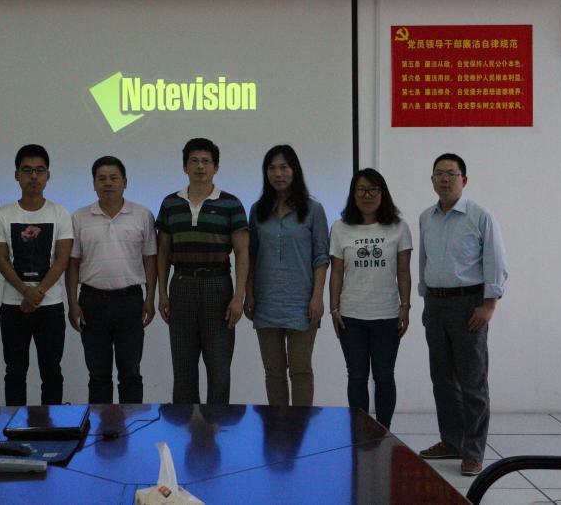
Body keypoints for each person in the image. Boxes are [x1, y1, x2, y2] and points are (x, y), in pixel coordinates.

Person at [417, 153, 508, 477]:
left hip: (469, 304)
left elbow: (496, 262)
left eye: (451, 173)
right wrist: (425, 299)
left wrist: (489, 305)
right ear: (432, 179)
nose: (445, 178)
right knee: (442, 379)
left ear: (464, 180)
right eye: (439, 173)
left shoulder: (480, 216)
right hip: (436, 304)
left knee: (472, 382)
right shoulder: (426, 217)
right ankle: (451, 441)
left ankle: (473, 451)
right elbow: (424, 261)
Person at [156, 137, 249, 405]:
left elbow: (243, 253)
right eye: (194, 161)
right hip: (181, 285)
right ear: (185, 166)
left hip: (218, 287)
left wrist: (239, 297)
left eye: (206, 161)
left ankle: (216, 426)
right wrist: (162, 293)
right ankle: (186, 426)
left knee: (219, 369)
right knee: (183, 368)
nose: (200, 167)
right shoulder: (170, 203)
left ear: (215, 167)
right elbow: (163, 252)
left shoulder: (231, 204)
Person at [66, 156, 158, 404]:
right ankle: (101, 426)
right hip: (92, 302)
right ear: (94, 184)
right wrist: (73, 303)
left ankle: (131, 424)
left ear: (125, 182)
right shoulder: (79, 217)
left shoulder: (143, 215)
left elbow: (150, 260)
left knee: (130, 373)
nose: (108, 183)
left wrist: (150, 298)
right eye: (102, 179)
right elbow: (72, 264)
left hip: (130, 301)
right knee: (98, 375)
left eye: (114, 178)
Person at [245, 145, 328, 407]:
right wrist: (249, 294)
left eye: (284, 167)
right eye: (272, 168)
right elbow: (251, 256)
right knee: (273, 372)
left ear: (295, 170)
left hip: (301, 302)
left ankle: (300, 426)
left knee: (301, 370)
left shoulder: (313, 210)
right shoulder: (258, 210)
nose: (278, 173)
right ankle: (278, 426)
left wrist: (317, 297)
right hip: (267, 301)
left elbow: (321, 257)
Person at [328, 168, 412, 429]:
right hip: (351, 315)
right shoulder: (340, 228)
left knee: (384, 376)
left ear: (382, 193)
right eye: (361, 189)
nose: (367, 195)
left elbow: (403, 271)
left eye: (373, 189)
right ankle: (361, 431)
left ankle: (384, 430)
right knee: (356, 376)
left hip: (387, 314)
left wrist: (405, 306)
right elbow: (336, 272)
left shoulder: (398, 227)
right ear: (353, 194)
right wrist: (334, 308)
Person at [0, 144, 73, 406]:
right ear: (17, 175)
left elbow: (62, 260)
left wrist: (37, 292)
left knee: (52, 372)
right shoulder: (2, 215)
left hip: (50, 305)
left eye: (40, 170)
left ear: (48, 175)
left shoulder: (60, 213)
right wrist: (26, 291)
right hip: (13, 306)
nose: (33, 176)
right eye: (27, 170)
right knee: (15, 372)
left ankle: (52, 424)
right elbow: (1, 259)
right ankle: (16, 425)